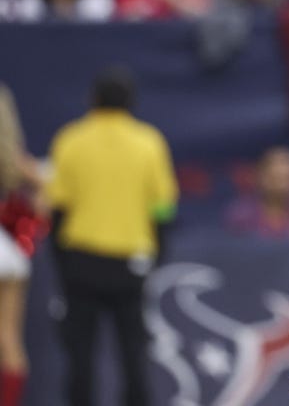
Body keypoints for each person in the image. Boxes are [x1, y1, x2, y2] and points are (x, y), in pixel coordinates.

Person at [45, 67, 179, 406]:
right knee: (134, 357)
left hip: (81, 262)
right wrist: (155, 257)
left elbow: (57, 208)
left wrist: (62, 264)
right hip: (130, 265)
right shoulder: (149, 141)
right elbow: (163, 210)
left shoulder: (71, 139)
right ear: (131, 103)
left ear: (93, 100)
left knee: (80, 359)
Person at [0, 84, 45, 406]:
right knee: (8, 338)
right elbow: (45, 191)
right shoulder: (12, 157)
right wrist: (26, 231)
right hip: (7, 253)